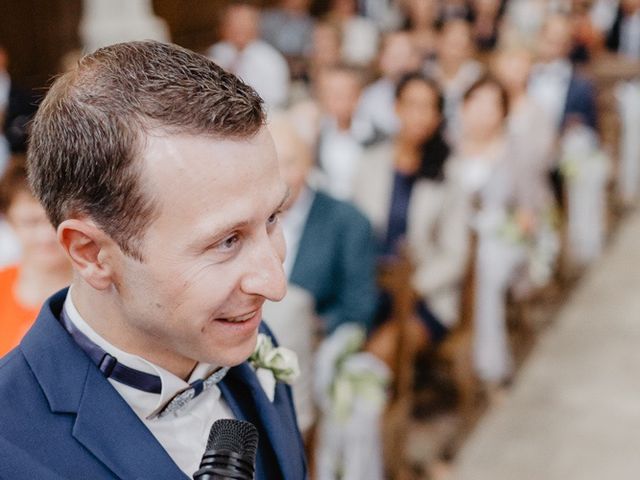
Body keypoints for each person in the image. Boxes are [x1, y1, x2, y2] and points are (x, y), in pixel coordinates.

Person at [0, 41, 306, 480]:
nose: (274, 284)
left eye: (273, 218)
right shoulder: (10, 447)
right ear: (92, 254)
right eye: (226, 241)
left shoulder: (252, 337)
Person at [353, 73, 470, 367]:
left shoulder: (448, 174)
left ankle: (386, 408)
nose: (419, 116)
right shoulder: (370, 162)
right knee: (339, 341)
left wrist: (413, 287)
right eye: (412, 105)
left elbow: (455, 255)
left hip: (424, 297)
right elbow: (354, 229)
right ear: (396, 108)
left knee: (378, 353)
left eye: (428, 107)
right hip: (370, 288)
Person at [0, 155, 71, 357]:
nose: (45, 235)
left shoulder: (97, 289)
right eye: (30, 222)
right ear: (11, 222)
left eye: (53, 220)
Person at [208, 0, 291, 109]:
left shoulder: (271, 61)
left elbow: (276, 104)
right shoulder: (217, 52)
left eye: (244, 22)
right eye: (232, 23)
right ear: (222, 27)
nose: (238, 28)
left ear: (256, 27)